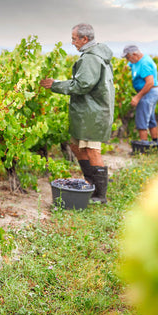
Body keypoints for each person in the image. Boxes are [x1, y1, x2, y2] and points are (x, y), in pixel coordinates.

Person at [40, 23, 115, 203]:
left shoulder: (91, 59)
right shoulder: (95, 55)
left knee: (92, 150)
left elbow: (82, 85)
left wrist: (55, 84)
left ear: (85, 39)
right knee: (76, 146)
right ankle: (90, 183)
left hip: (93, 113)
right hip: (89, 111)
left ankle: (99, 195)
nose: (72, 42)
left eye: (74, 39)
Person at [122, 45, 158, 144]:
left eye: (127, 57)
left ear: (134, 54)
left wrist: (137, 97)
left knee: (142, 119)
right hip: (150, 92)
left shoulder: (144, 63)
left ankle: (144, 147)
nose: (127, 60)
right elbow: (127, 67)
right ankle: (155, 144)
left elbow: (150, 83)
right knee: (151, 119)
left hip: (148, 92)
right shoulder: (135, 61)